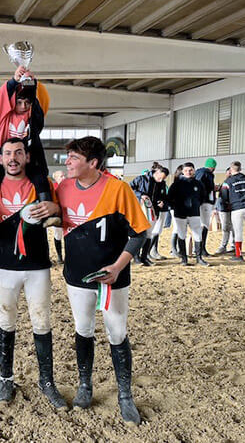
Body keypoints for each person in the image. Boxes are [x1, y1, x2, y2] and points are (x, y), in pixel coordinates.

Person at [55, 137, 149, 425]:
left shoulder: (118, 189)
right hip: (76, 276)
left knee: (117, 332)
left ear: (93, 163)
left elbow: (139, 233)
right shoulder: (63, 187)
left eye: (74, 158)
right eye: (68, 157)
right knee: (83, 329)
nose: (68, 162)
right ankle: (85, 385)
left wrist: (118, 267)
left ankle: (125, 395)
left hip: (112, 277)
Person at [0, 138, 66, 408]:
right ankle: (5, 378)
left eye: (18, 152)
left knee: (42, 322)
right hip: (4, 266)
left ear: (27, 157)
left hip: (37, 266)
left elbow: (63, 211)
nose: (13, 158)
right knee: (5, 320)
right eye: (8, 153)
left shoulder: (43, 186)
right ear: (0, 159)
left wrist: (56, 208)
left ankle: (47, 381)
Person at [0, 66, 59, 227]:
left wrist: (32, 82)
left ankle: (47, 216)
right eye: (19, 102)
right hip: (2, 154)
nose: (24, 106)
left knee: (41, 180)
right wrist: (15, 81)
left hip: (30, 154)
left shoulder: (32, 117)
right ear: (12, 102)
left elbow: (41, 100)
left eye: (27, 102)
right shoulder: (3, 117)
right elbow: (0, 99)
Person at [168, 162, 208, 266]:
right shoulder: (176, 184)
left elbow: (203, 197)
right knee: (181, 234)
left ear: (194, 170)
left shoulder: (199, 184)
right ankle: (184, 259)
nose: (188, 172)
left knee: (197, 234)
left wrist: (196, 204)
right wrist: (176, 207)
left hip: (194, 213)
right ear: (182, 171)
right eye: (186, 170)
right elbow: (170, 198)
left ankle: (199, 258)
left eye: (190, 170)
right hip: (180, 214)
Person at [129, 163, 169, 265]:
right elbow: (129, 188)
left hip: (153, 211)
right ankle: (136, 257)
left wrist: (161, 201)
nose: (160, 180)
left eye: (163, 179)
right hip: (140, 209)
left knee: (149, 233)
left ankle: (144, 257)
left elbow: (162, 195)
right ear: (157, 172)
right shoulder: (141, 179)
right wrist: (140, 195)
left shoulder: (162, 183)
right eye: (160, 178)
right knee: (139, 232)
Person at [220, 161, 245, 261]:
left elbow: (224, 195)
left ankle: (239, 255)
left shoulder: (228, 181)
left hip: (237, 208)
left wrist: (227, 204)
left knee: (238, 232)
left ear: (230, 170)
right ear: (240, 169)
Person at [195, 158, 217, 256]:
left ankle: (200, 248)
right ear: (212, 167)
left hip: (205, 201)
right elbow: (199, 185)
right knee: (204, 225)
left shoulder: (203, 173)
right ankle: (201, 249)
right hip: (204, 202)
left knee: (204, 224)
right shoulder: (205, 173)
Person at [214, 167, 234, 254]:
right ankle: (230, 245)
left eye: (231, 172)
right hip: (223, 208)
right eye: (228, 172)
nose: (229, 174)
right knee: (227, 227)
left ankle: (224, 246)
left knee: (228, 227)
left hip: (229, 208)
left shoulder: (230, 183)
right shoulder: (225, 183)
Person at [51, 170, 66, 263]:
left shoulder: (69, 187)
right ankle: (60, 256)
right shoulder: (54, 188)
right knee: (58, 236)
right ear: (56, 178)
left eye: (64, 175)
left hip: (68, 215)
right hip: (58, 216)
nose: (64, 178)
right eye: (61, 176)